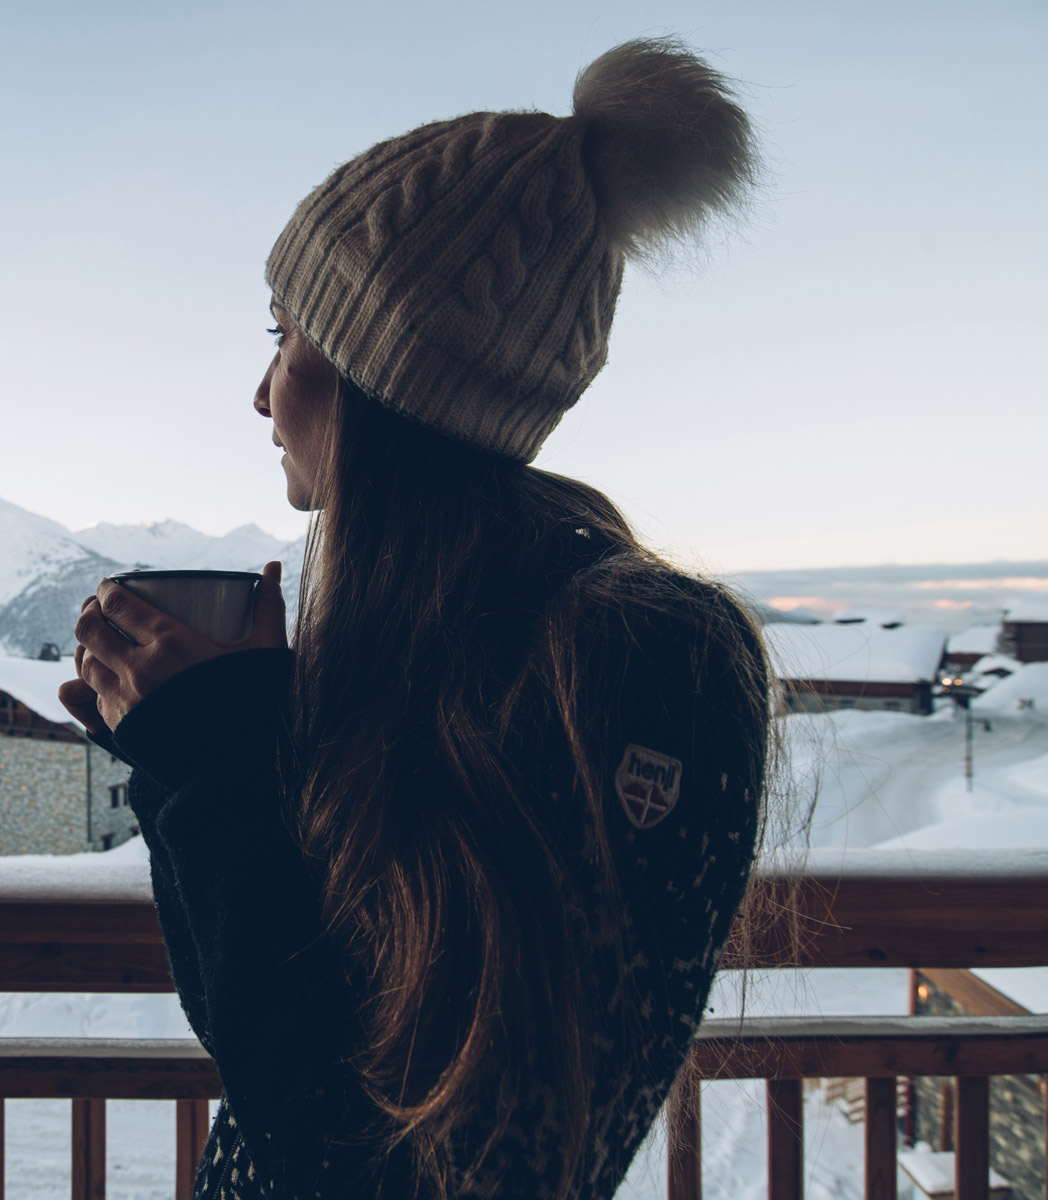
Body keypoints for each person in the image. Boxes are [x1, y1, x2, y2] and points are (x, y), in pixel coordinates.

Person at [61, 36, 771, 1200]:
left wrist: (214, 773)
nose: (260, 390)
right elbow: (261, 1039)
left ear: (378, 373)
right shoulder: (421, 647)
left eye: (284, 334)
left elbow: (398, 1155)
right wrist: (182, 762)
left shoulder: (647, 661)